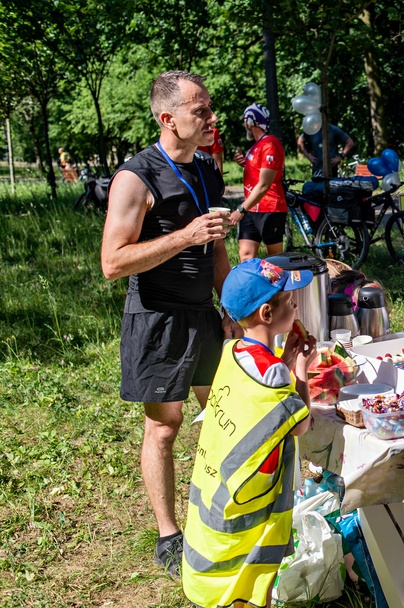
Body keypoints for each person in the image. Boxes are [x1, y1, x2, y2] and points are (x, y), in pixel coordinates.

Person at [100, 70, 241, 579]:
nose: (211, 118)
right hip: (157, 318)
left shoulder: (207, 169)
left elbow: (218, 248)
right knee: (164, 427)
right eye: (199, 111)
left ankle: (224, 512)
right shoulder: (136, 177)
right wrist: (183, 237)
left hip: (204, 313)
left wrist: (233, 309)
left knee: (224, 418)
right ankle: (168, 532)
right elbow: (113, 263)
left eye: (209, 108)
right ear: (168, 119)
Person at [182, 257, 316, 608]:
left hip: (219, 491)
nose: (296, 304)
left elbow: (259, 392)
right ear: (267, 315)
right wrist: (300, 369)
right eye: (289, 301)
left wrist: (284, 358)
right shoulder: (275, 374)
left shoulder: (233, 350)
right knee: (250, 579)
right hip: (251, 507)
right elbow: (299, 422)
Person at [230, 104, 287, 261]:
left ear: (251, 121)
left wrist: (240, 209)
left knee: (276, 260)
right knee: (246, 257)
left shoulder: (271, 144)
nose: (244, 124)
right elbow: (258, 172)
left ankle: (281, 286)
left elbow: (264, 184)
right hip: (252, 208)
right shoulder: (256, 146)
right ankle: (251, 286)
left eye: (244, 120)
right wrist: (244, 164)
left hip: (270, 209)